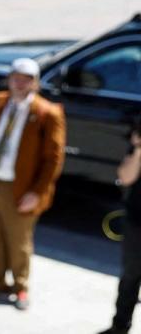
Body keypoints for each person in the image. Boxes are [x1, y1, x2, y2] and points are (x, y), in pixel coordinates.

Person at [0, 57, 65, 311]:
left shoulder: (46, 113)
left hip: (22, 187)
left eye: (27, 80)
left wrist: (37, 192)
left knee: (18, 240)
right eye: (16, 78)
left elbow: (53, 159)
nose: (20, 84)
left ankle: (20, 286)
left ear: (35, 83)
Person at [99, 119, 141, 334]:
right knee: (131, 276)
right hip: (137, 220)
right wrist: (139, 149)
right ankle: (120, 326)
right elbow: (125, 177)